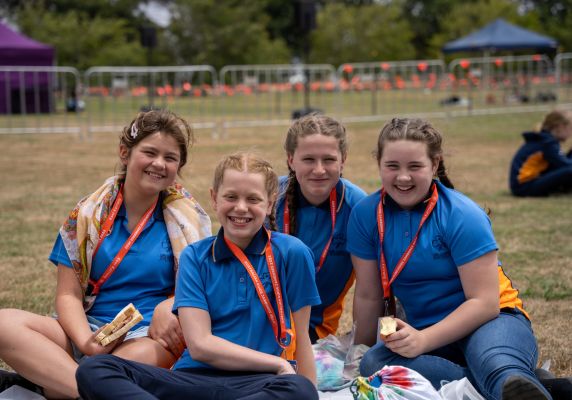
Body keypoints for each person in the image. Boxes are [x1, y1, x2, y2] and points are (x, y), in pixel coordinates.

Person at [0, 109, 212, 399]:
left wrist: (172, 303)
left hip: (146, 335)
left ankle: (52, 384)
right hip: (86, 328)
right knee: (4, 325)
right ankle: (89, 390)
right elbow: (68, 295)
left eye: (170, 158)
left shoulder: (189, 220)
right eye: (149, 152)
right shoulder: (87, 214)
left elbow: (205, 288)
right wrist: (86, 343)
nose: (159, 164)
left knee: (133, 361)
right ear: (125, 153)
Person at [75, 152, 321, 400]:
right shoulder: (195, 256)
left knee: (299, 390)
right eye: (231, 197)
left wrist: (308, 389)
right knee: (95, 369)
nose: (241, 208)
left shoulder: (293, 253)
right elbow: (200, 346)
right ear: (214, 198)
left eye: (253, 199)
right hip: (191, 380)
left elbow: (302, 338)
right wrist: (277, 364)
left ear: (270, 203)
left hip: (257, 382)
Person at [347, 117, 553, 400]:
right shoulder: (364, 215)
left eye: (415, 166)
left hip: (491, 321)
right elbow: (370, 295)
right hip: (425, 331)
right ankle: (520, 384)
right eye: (392, 166)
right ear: (379, 164)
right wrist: (359, 351)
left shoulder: (462, 213)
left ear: (435, 164)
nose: (403, 177)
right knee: (374, 365)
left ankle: (506, 375)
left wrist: (423, 340)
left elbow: (484, 302)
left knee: (495, 362)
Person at [277, 113, 366, 343]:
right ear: (290, 159)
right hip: (259, 319)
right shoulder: (267, 198)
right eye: (308, 159)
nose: (319, 170)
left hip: (316, 332)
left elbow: (370, 290)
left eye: (328, 159)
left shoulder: (359, 209)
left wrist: (362, 347)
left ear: (343, 159)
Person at [509, 109, 572, 196]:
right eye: (570, 128)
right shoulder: (547, 143)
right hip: (524, 186)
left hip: (535, 179)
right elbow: (565, 165)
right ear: (560, 127)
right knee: (570, 170)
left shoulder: (547, 140)